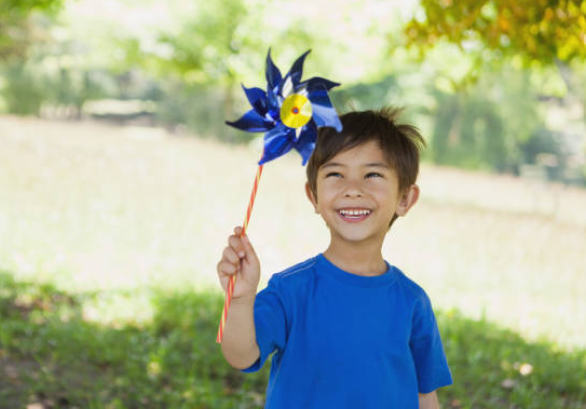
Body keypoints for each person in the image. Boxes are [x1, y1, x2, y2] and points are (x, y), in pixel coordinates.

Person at [217, 107, 453, 408]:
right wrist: (239, 299)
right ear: (313, 195)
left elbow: (425, 394)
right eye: (335, 174)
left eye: (373, 174)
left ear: (405, 199)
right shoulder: (289, 290)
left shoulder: (412, 301)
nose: (352, 189)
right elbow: (241, 355)